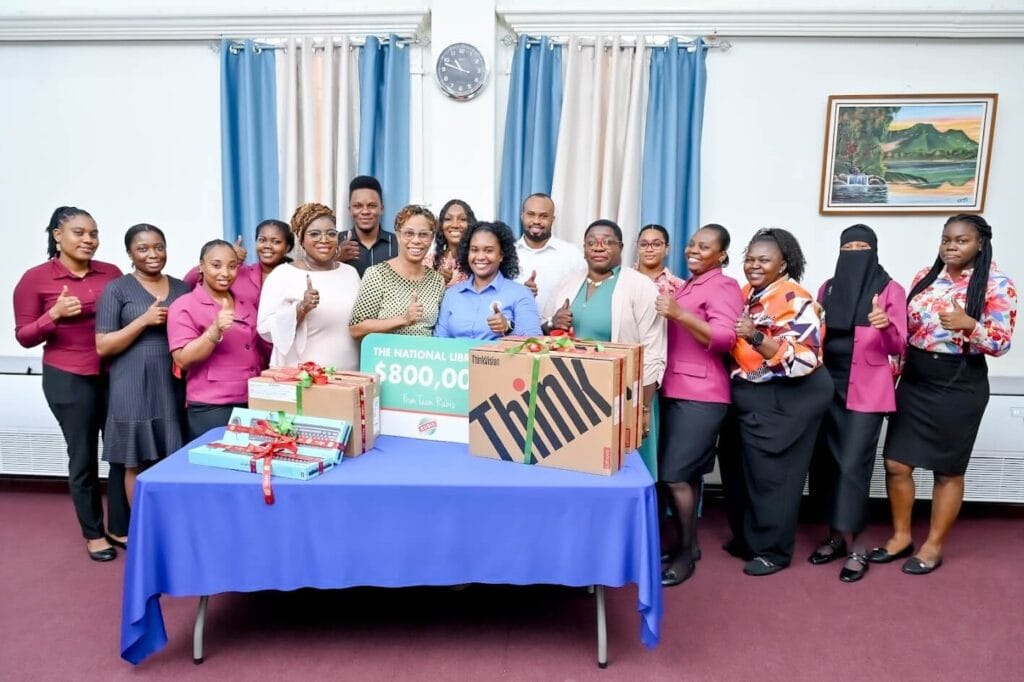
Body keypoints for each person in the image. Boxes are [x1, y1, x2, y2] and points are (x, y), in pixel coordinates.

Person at [872, 215, 1016, 575]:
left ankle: (933, 546)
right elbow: (908, 334)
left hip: (960, 381)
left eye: (961, 240)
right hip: (918, 377)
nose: (951, 246)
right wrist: (890, 374)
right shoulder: (925, 277)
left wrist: (971, 325)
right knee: (896, 463)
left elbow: (1001, 344)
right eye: (946, 239)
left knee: (947, 471)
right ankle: (901, 536)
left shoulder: (998, 285)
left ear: (980, 243)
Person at [13, 206, 127, 561]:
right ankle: (93, 534)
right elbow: (24, 337)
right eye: (79, 232)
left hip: (113, 375)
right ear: (57, 235)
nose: (88, 240)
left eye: (93, 233)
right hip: (68, 378)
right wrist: (54, 315)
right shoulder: (35, 279)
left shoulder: (111, 273)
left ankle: (119, 526)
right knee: (83, 458)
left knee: (122, 455)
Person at [720, 228, 833, 577]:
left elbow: (803, 359)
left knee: (773, 475)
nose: (755, 265)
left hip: (790, 393)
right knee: (740, 466)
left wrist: (755, 336)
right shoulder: (745, 293)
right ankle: (749, 539)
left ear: (783, 263)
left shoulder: (795, 299)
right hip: (751, 391)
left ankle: (773, 551)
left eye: (764, 259)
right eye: (750, 259)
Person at [805, 225, 907, 583]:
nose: (854, 252)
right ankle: (834, 536)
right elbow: (816, 337)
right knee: (826, 465)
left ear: (875, 251)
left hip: (866, 391)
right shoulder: (828, 287)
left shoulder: (889, 289)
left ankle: (858, 545)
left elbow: (899, 346)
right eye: (848, 247)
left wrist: (885, 325)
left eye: (862, 247)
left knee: (852, 467)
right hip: (825, 387)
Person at [654, 224, 743, 586]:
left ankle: (686, 553)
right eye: (692, 244)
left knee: (675, 475)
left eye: (705, 247)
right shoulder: (691, 284)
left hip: (702, 395)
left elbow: (725, 338)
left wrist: (679, 313)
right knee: (682, 476)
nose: (694, 250)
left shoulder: (723, 285)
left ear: (721, 254)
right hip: (676, 389)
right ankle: (686, 546)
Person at [543, 219, 667, 460]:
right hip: (573, 392)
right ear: (584, 248)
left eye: (607, 242)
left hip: (625, 396)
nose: (599, 247)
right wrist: (553, 322)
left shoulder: (640, 286)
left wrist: (643, 407)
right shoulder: (568, 283)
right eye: (592, 242)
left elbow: (653, 351)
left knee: (623, 464)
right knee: (581, 462)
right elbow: (546, 330)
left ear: (621, 247)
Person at [96, 224, 190, 510]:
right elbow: (103, 346)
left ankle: (171, 525)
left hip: (171, 381)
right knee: (135, 460)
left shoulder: (182, 287)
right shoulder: (117, 289)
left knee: (173, 456)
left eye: (159, 247)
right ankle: (142, 529)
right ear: (129, 253)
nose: (153, 254)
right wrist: (143, 320)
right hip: (132, 383)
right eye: (143, 248)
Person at [168, 239, 263, 440]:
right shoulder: (185, 305)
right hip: (212, 406)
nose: (225, 273)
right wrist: (213, 331)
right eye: (216, 265)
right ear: (201, 266)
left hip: (252, 400)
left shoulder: (245, 303)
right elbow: (182, 359)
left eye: (232, 266)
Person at [257, 203, 362, 369]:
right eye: (314, 234)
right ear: (301, 239)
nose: (324, 239)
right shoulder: (282, 275)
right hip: (302, 378)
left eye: (331, 234)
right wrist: (301, 308)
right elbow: (265, 330)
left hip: (348, 376)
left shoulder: (350, 273)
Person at [182, 220, 293, 368]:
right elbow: (189, 282)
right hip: (241, 359)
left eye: (276, 241)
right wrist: (228, 258)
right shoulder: (237, 272)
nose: (267, 246)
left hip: (283, 357)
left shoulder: (295, 277)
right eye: (262, 240)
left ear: (287, 247)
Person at [350, 205, 447, 340]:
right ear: (398, 235)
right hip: (385, 359)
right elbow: (356, 329)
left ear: (432, 239)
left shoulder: (437, 281)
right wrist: (403, 319)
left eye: (424, 234)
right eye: (409, 233)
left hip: (424, 359)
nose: (416, 240)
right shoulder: (378, 275)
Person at [434, 221, 542, 340]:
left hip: (499, 359)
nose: (480, 257)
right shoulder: (452, 295)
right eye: (474, 250)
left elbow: (535, 342)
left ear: (501, 255)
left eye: (488, 250)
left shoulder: (520, 293)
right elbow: (439, 341)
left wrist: (508, 327)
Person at [514, 193, 585, 312]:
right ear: (522, 216)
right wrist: (521, 294)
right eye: (531, 214)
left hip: (558, 329)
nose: (536, 221)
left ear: (552, 219)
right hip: (514, 329)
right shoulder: (507, 253)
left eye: (543, 216)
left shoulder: (572, 254)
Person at [337, 175, 399, 276]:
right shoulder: (335, 242)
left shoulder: (398, 243)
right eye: (358, 206)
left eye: (372, 206)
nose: (365, 211)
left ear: (381, 208)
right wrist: (336, 258)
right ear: (350, 209)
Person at [425, 199, 475, 287]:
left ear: (470, 225)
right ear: (441, 226)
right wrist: (437, 282)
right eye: (448, 219)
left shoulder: (478, 261)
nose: (455, 225)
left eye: (462, 219)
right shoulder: (429, 262)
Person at [635, 224, 685, 296]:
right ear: (637, 248)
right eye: (643, 244)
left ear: (666, 249)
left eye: (656, 244)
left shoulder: (680, 287)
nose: (649, 249)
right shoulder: (623, 279)